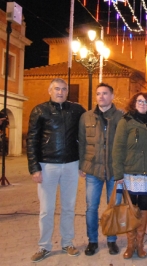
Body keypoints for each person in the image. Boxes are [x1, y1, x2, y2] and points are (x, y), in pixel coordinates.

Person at [27, 78, 86, 263]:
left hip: (70, 164)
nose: (60, 92)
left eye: (63, 89)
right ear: (50, 90)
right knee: (46, 209)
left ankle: (67, 242)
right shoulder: (39, 110)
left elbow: (93, 121)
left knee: (69, 207)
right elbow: (32, 140)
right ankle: (44, 246)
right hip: (47, 165)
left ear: (67, 92)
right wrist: (34, 168)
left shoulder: (76, 110)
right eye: (57, 89)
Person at [112, 92, 147, 259]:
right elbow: (117, 149)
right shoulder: (126, 122)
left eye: (146, 102)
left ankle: (140, 244)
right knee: (131, 208)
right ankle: (130, 244)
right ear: (134, 103)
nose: (143, 104)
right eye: (140, 101)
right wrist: (118, 174)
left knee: (144, 207)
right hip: (130, 172)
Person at [78, 83, 123, 256]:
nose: (101, 96)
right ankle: (93, 241)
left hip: (114, 171)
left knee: (113, 207)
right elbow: (82, 143)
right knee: (91, 207)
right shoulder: (86, 117)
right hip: (92, 170)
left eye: (105, 93)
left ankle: (112, 240)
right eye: (98, 94)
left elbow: (124, 145)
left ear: (112, 96)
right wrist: (82, 165)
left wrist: (122, 170)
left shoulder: (121, 117)